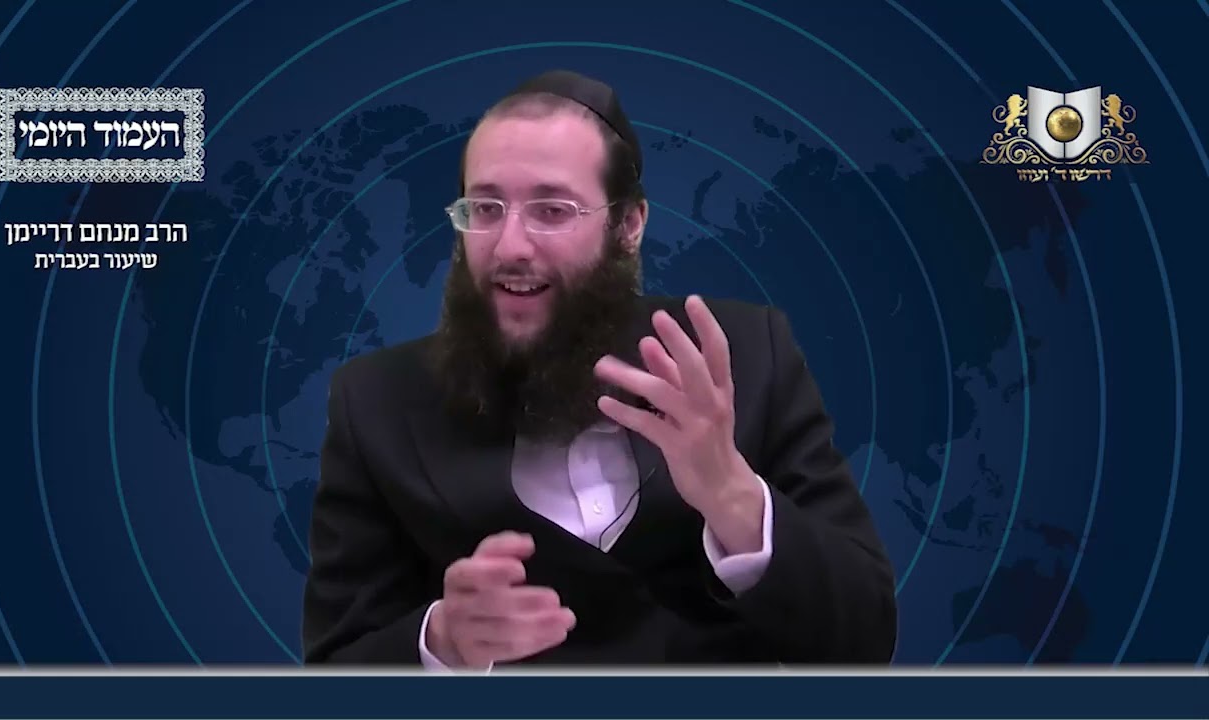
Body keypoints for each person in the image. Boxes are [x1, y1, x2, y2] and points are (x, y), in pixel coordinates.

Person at [301, 69, 897, 668]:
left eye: (552, 209)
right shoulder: (374, 401)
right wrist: (443, 641)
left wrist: (731, 494)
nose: (509, 246)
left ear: (628, 225)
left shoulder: (748, 355)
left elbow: (864, 638)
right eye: (485, 208)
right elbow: (332, 675)